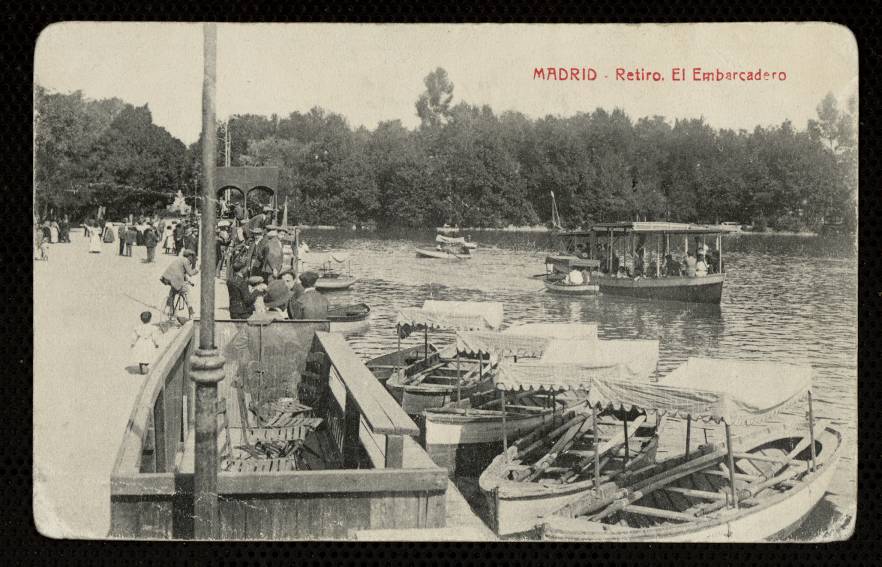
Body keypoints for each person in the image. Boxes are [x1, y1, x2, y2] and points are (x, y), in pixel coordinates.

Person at [160, 249, 198, 318]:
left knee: (172, 294)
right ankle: (191, 313)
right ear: (189, 256)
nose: (193, 259)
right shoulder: (186, 261)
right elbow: (190, 273)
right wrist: (197, 270)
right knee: (187, 294)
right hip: (177, 280)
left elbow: (180, 271)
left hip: (170, 279)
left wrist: (187, 280)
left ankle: (170, 311)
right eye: (192, 257)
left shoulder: (179, 259)